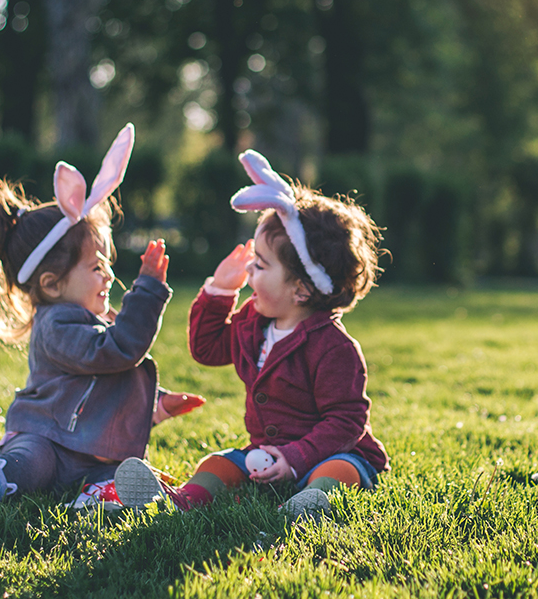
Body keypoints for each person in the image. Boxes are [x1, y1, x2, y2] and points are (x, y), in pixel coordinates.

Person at [0, 125, 205, 513]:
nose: (109, 274)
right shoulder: (57, 325)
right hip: (45, 440)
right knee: (26, 468)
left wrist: (158, 405)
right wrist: (146, 292)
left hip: (89, 451)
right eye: (96, 265)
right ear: (52, 283)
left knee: (117, 473)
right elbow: (116, 353)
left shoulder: (89, 320)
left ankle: (95, 499)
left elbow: (106, 384)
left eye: (108, 263)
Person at [114, 150, 389, 519]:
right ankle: (179, 499)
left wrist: (295, 458)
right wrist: (220, 293)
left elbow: (347, 421)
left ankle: (309, 503)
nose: (249, 270)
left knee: (339, 471)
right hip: (263, 452)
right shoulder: (253, 322)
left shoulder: (334, 348)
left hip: (329, 452)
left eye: (260, 265)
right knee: (219, 462)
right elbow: (207, 349)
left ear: (301, 290)